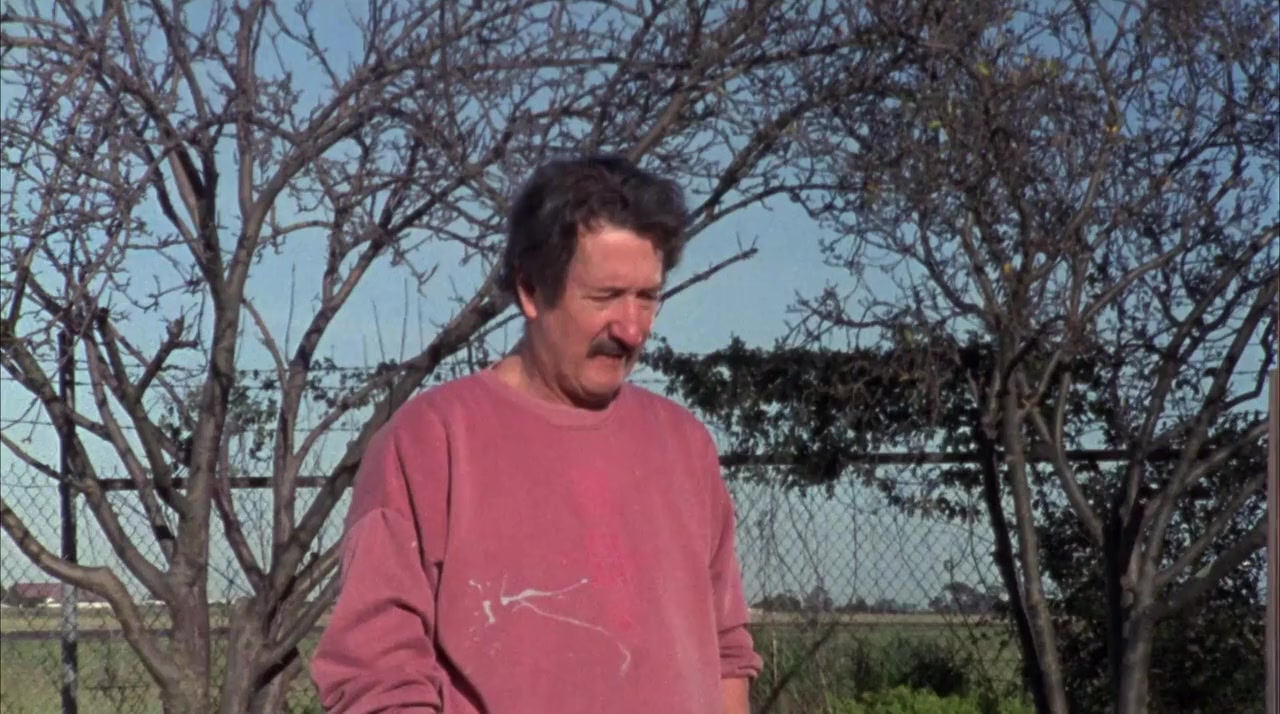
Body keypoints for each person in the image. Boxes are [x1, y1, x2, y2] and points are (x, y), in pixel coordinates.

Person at [309, 154, 763, 713]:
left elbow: (727, 653)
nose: (631, 328)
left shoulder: (684, 445)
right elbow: (377, 675)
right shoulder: (432, 443)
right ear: (530, 289)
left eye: (647, 297)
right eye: (605, 296)